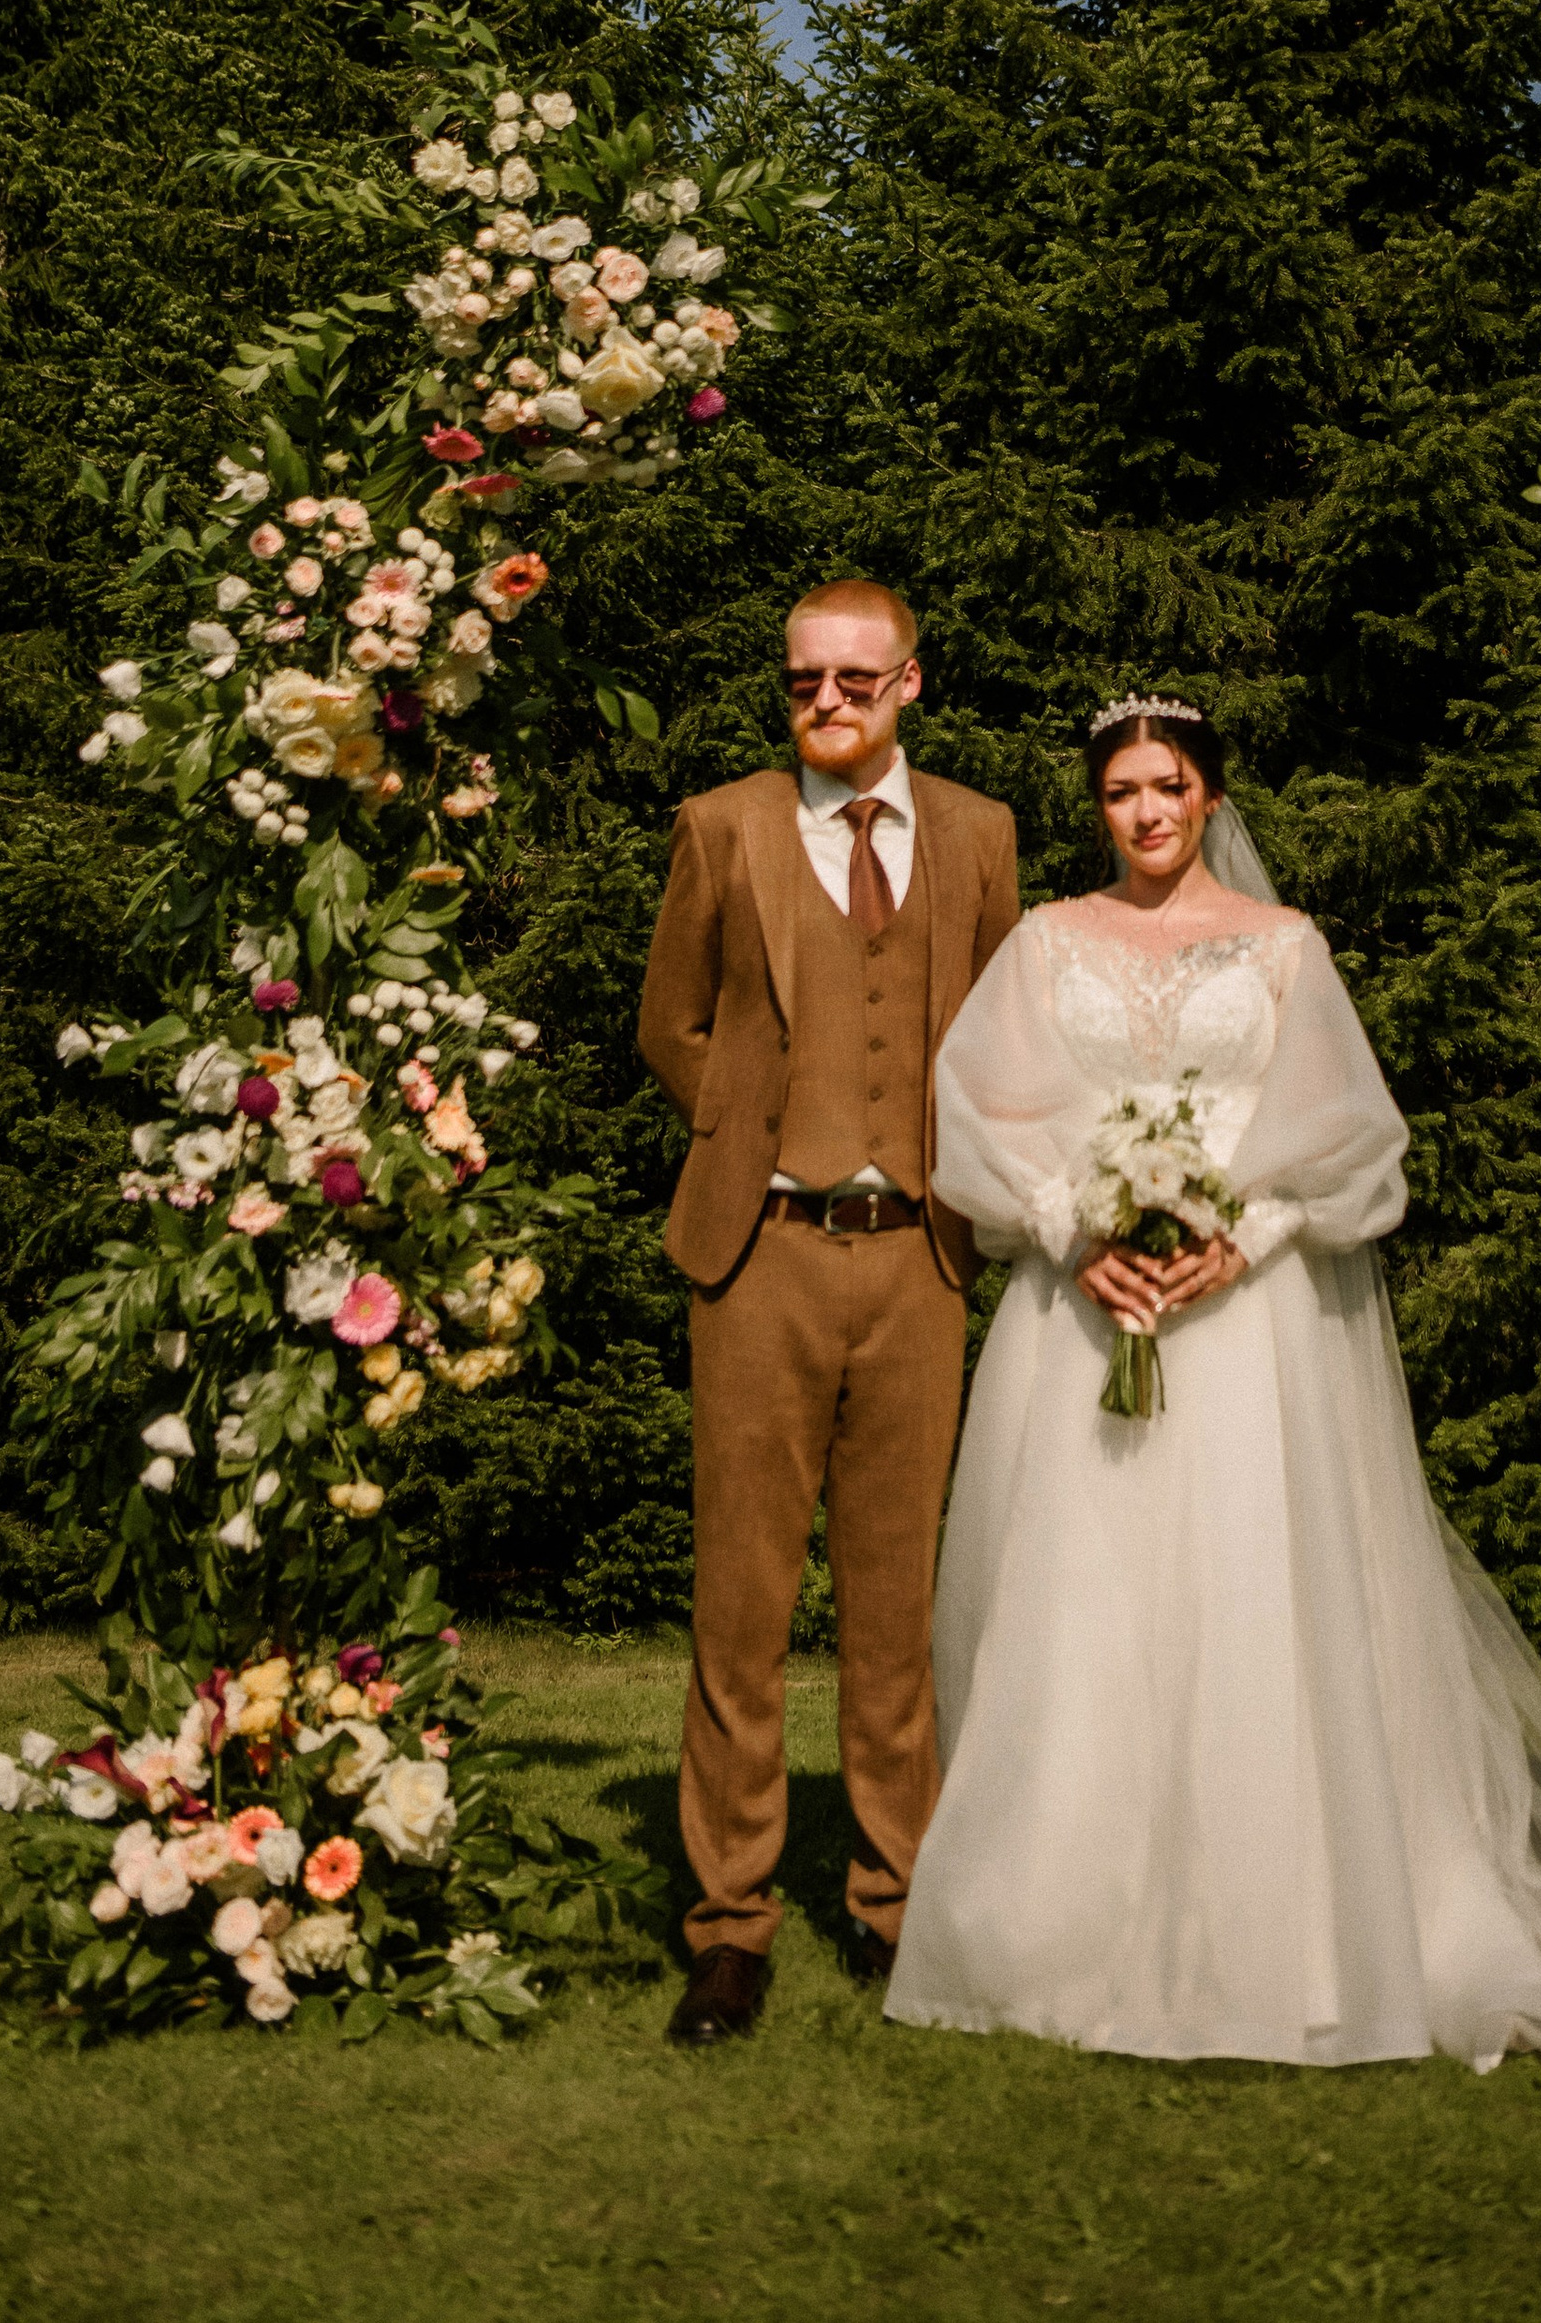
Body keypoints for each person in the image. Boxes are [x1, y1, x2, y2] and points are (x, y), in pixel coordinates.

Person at [885, 694, 1541, 2072]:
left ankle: (1281, 1930)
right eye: (1122, 792)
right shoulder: (1044, 942)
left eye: (1170, 785)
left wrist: (1235, 1241)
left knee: (1248, 1596)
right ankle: (1056, 1926)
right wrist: (1080, 1232)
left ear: (1211, 797)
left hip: (1246, 1330)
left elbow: (1349, 1141)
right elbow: (977, 1108)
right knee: (1083, 1607)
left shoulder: (1281, 950)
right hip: (1081, 1316)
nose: (1145, 811)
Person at [637, 577, 1019, 2046]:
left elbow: (1002, 1030)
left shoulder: (980, 835)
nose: (829, 704)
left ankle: (893, 1902)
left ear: (909, 684)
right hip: (761, 1256)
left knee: (895, 1610)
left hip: (917, 1258)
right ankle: (728, 1929)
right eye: (805, 682)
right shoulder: (722, 826)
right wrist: (750, 1132)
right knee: (740, 1606)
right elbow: (667, 1022)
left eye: (858, 681)